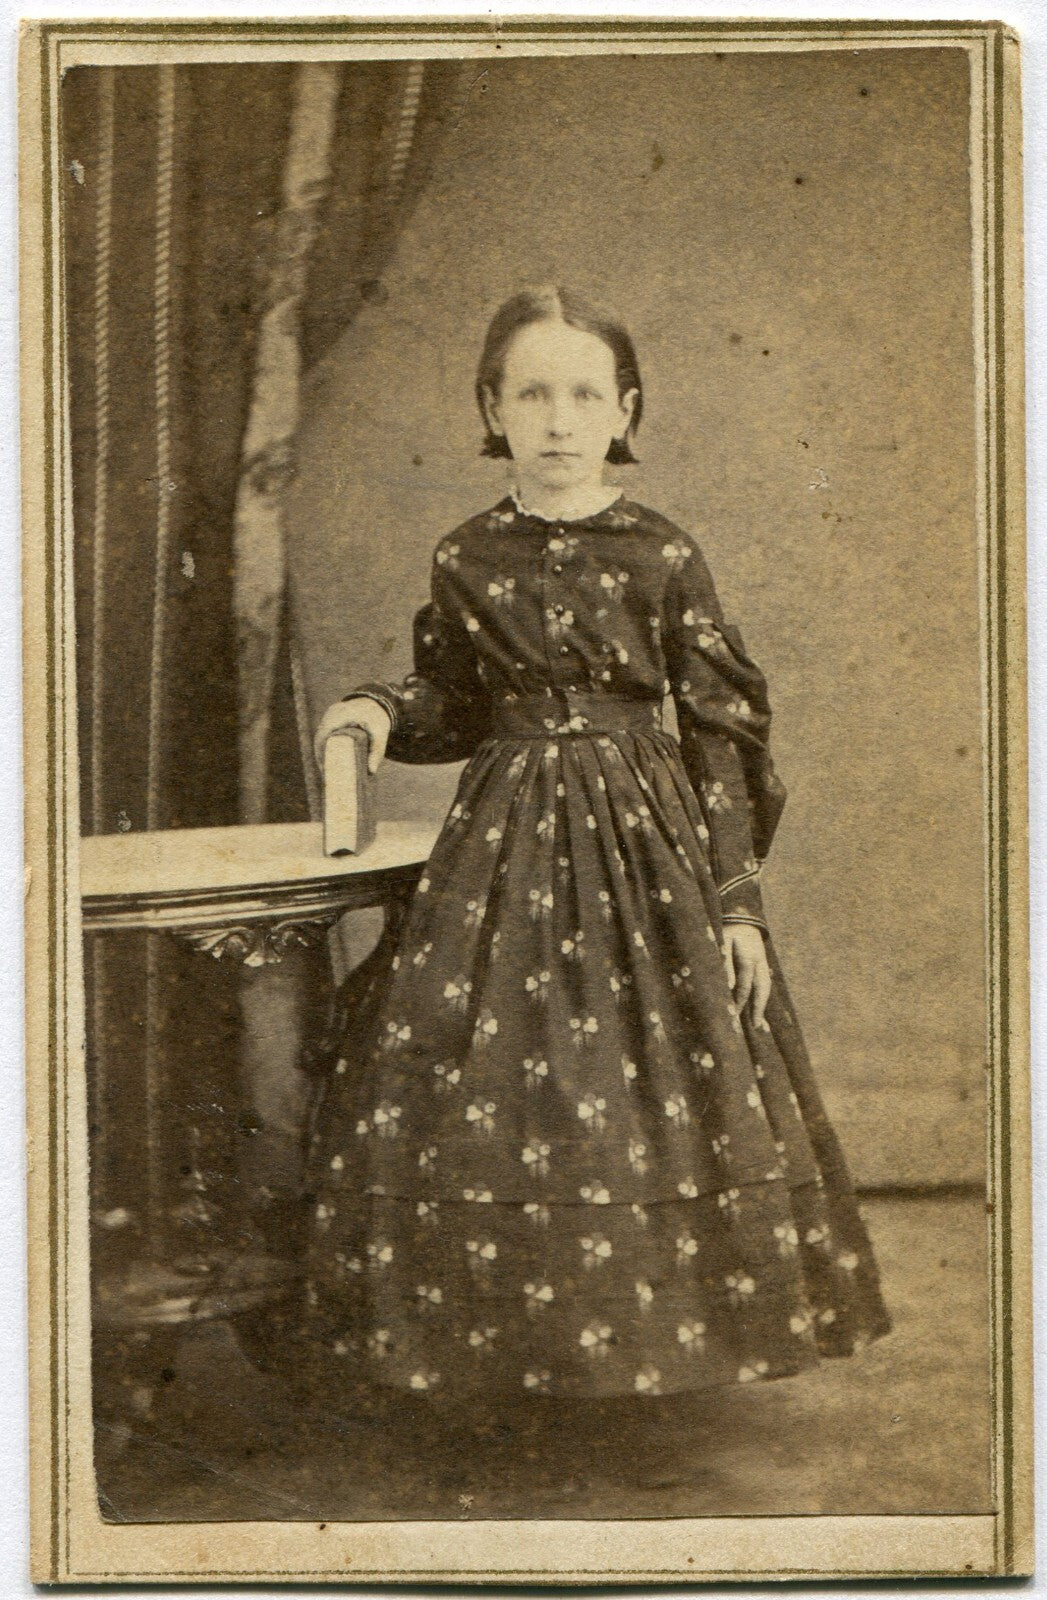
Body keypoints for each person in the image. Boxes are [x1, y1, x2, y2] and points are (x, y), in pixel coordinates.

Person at [296, 285, 890, 1492]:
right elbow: (453, 702)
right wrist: (372, 706)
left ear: (623, 409)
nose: (558, 418)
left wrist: (734, 903)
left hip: (646, 854)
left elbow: (721, 731)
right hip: (501, 852)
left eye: (583, 393)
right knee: (488, 1077)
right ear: (491, 409)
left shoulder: (662, 550)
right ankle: (511, 1366)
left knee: (651, 1080)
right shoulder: (465, 555)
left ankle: (643, 1368)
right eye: (531, 392)